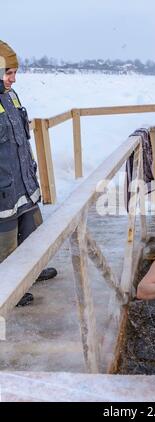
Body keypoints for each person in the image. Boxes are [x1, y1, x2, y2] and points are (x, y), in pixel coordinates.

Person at [0, 40, 57, 307]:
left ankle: (32, 271)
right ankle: (11, 285)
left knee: (32, 230)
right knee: (6, 242)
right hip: (3, 188)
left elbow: (21, 136)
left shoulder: (11, 96)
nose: (14, 78)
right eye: (8, 72)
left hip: (24, 180)